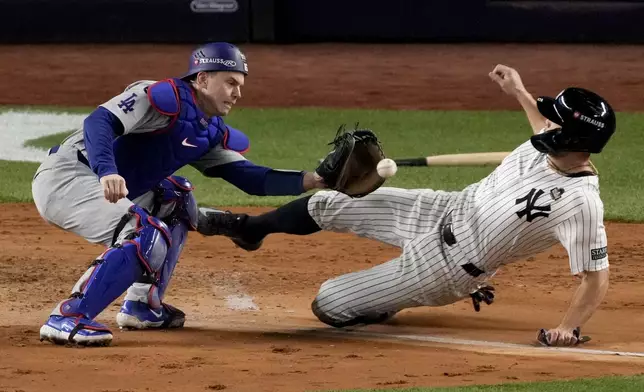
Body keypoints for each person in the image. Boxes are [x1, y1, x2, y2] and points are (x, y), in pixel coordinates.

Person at [200, 64, 615, 347]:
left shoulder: (580, 204)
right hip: (442, 208)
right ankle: (251, 229)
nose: (547, 123)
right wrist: (519, 91)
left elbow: (595, 278)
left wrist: (567, 328)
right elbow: (540, 121)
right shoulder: (552, 140)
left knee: (329, 303)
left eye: (556, 122)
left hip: (448, 268)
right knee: (330, 201)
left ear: (573, 141)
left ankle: (389, 299)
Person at [32, 42, 325, 346]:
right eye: (230, 82)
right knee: (146, 232)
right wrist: (107, 170)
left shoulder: (207, 130)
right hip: (68, 177)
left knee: (177, 200)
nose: (238, 93)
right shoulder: (158, 97)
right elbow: (99, 121)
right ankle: (68, 317)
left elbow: (251, 177)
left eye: (240, 84)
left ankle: (143, 305)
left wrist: (315, 180)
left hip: (104, 185)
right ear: (202, 79)